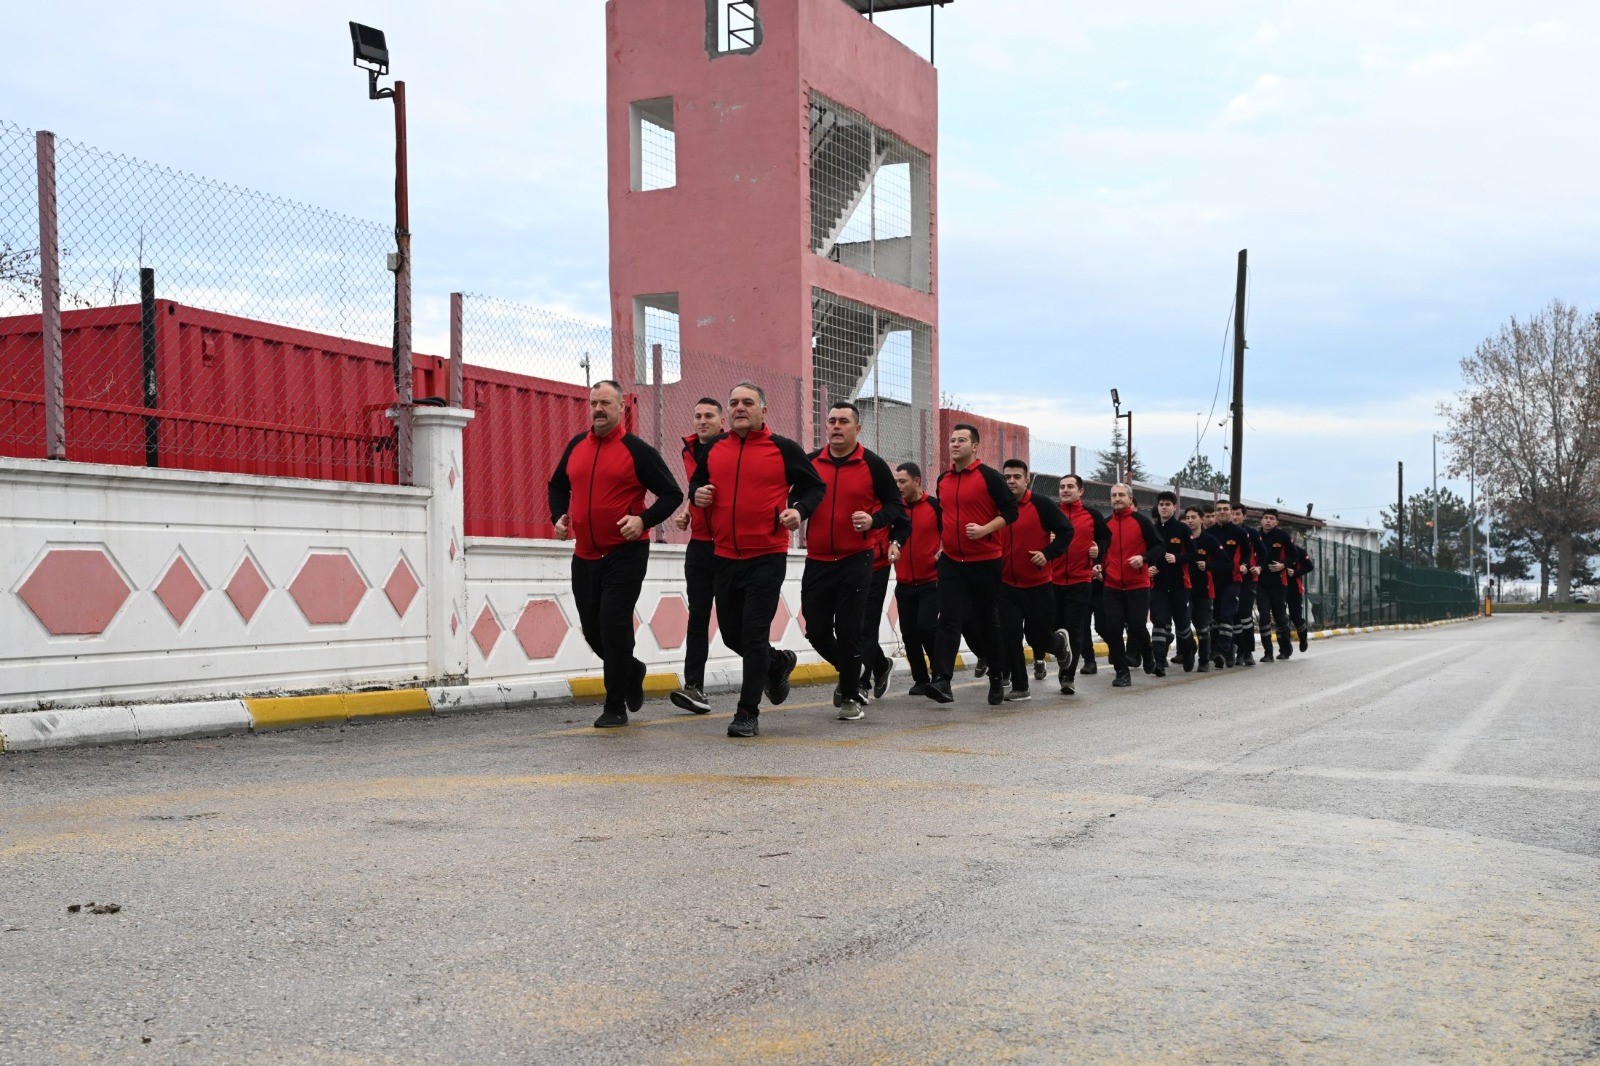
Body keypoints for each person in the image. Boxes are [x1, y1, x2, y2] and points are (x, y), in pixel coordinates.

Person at [689, 381, 825, 738]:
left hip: (766, 555)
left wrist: (799, 510)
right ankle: (778, 662)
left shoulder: (783, 449)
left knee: (752, 634)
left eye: (747, 403)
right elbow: (697, 484)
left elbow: (815, 487)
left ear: (763, 410)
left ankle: (747, 712)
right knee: (732, 634)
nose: (739, 408)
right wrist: (698, 494)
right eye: (733, 402)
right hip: (723, 555)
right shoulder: (715, 448)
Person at [547, 380, 684, 728]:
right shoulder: (577, 445)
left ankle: (614, 706)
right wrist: (558, 516)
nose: (598, 409)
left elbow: (671, 493)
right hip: (585, 554)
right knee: (592, 629)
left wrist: (642, 520)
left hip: (626, 552)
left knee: (613, 624)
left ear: (621, 407)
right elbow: (557, 485)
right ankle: (631, 668)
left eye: (606, 403)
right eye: (593, 402)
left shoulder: (637, 451)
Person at [802, 402, 904, 722]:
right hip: (817, 558)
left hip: (856, 558)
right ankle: (853, 670)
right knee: (817, 631)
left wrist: (873, 521)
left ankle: (850, 694)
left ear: (857, 429)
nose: (835, 426)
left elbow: (895, 506)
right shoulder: (810, 462)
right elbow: (793, 495)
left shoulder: (872, 465)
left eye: (843, 421)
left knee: (849, 630)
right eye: (831, 421)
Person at [925, 423, 1017, 706]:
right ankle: (942, 680)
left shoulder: (989, 477)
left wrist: (986, 529)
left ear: (975, 446)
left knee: (987, 620)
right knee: (949, 619)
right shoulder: (943, 480)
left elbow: (1011, 511)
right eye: (952, 440)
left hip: (985, 561)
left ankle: (997, 676)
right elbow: (946, 517)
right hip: (952, 562)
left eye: (961, 440)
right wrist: (943, 547)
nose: (954, 444)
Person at [997, 460, 1071, 701]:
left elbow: (1066, 531)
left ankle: (1059, 643)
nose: (1011, 482)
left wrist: (1047, 554)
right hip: (1006, 585)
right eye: (1007, 477)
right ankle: (1020, 686)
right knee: (1010, 635)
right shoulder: (996, 506)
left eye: (1017, 477)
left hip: (1038, 585)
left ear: (1026, 479)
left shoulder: (1041, 504)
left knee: (1038, 638)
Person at [669, 397, 725, 715]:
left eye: (709, 416)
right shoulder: (688, 451)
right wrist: (687, 512)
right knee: (698, 617)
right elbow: (696, 488)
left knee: (737, 622)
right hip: (700, 545)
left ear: (721, 422)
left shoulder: (731, 451)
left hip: (729, 545)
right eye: (697, 416)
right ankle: (694, 687)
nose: (702, 421)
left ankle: (773, 666)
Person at [1096, 483, 1163, 687]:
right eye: (1114, 495)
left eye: (1121, 495)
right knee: (1114, 628)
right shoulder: (1105, 524)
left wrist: (1143, 558)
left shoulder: (1142, 522)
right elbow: (1099, 550)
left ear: (1130, 499)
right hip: (1112, 584)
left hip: (1137, 584)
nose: (1117, 498)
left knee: (1136, 626)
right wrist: (1097, 565)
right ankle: (1122, 672)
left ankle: (1148, 653)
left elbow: (1160, 546)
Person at [1049, 474, 1110, 695]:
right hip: (1052, 580)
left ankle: (1068, 676)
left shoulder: (1092, 516)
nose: (1065, 490)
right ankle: (1063, 660)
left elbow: (1106, 539)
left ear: (1080, 491)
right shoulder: (1050, 514)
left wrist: (1098, 551)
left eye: (1070, 487)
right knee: (1054, 629)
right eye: (1062, 487)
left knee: (1074, 629)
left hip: (1080, 580)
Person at [890, 462, 941, 696]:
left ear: (917, 481)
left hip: (931, 581)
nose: (898, 486)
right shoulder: (895, 509)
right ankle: (920, 679)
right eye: (896, 482)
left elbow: (949, 533)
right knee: (909, 633)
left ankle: (940, 675)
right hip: (904, 582)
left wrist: (942, 551)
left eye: (903, 481)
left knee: (926, 628)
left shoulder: (934, 506)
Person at [1147, 490, 1193, 673]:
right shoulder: (1152, 528)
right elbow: (1147, 553)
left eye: (1167, 505)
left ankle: (1188, 651)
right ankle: (1159, 662)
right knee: (1160, 622)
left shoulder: (1183, 529)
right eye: (1161, 505)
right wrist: (1148, 567)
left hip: (1180, 585)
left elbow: (1193, 554)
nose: (1164, 508)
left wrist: (1177, 558)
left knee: (1182, 625)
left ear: (1174, 507)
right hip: (1158, 585)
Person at [1182, 505, 1224, 673]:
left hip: (1204, 591)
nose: (1190, 520)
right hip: (1183, 589)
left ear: (1201, 519)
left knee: (1203, 628)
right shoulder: (1182, 539)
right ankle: (1190, 649)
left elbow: (1225, 563)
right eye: (1188, 517)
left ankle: (1204, 661)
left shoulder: (1210, 540)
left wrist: (1208, 565)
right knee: (1183, 625)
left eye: (1193, 517)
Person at [1209, 503, 1247, 668]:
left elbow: (1247, 552)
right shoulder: (1209, 533)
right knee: (1216, 617)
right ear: (1215, 513)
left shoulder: (1240, 533)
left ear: (1231, 513)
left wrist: (1245, 564)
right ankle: (1229, 648)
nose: (1222, 512)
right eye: (1219, 510)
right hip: (1214, 580)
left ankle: (1221, 651)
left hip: (1233, 580)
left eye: (1225, 509)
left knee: (1227, 615)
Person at [1256, 507, 1296, 661]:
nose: (1268, 521)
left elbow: (1293, 555)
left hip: (1279, 583)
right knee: (1264, 616)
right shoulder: (1256, 536)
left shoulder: (1283, 536)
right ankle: (1268, 652)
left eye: (1271, 518)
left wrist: (1283, 565)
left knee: (1280, 617)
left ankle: (1285, 648)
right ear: (1261, 520)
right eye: (1266, 517)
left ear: (1276, 522)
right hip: (1261, 583)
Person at [1233, 502, 1262, 667]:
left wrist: (1259, 567)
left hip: (1248, 580)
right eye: (1233, 513)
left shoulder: (1252, 533)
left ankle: (1248, 651)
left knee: (1245, 615)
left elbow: (1263, 552)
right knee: (1234, 616)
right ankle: (1239, 650)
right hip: (1230, 579)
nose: (1235, 517)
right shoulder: (1225, 532)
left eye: (1238, 514)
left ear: (1244, 516)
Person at [1287, 538, 1313, 652]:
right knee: (1280, 618)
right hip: (1277, 587)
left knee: (1295, 616)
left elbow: (1309, 566)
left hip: (1294, 588)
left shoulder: (1299, 551)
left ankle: (1303, 637)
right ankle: (1285, 648)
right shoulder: (1276, 550)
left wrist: (1296, 573)